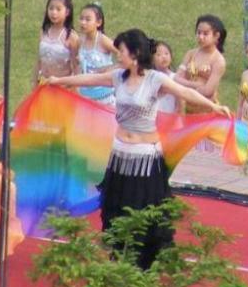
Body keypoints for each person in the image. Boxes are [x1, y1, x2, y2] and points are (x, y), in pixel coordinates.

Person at [46, 28, 231, 269]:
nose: (118, 55)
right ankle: (119, 256)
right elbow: (89, 79)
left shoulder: (155, 80)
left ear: (134, 54)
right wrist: (58, 81)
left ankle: (144, 262)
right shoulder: (118, 77)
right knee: (117, 205)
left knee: (143, 207)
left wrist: (213, 107)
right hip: (120, 155)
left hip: (145, 158)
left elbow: (184, 92)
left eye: (121, 51)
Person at [175, 14, 227, 114]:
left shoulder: (218, 61)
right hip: (186, 109)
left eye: (205, 34)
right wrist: (196, 85)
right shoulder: (190, 54)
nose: (200, 37)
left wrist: (184, 88)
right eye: (198, 33)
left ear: (216, 36)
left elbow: (208, 91)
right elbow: (176, 79)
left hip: (207, 112)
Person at [33, 0, 79, 86]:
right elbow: (39, 60)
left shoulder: (71, 36)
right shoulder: (44, 31)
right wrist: (34, 83)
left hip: (63, 86)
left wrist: (75, 86)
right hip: (43, 84)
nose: (54, 12)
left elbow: (76, 66)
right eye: (51, 8)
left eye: (58, 9)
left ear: (67, 12)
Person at [77, 2, 117, 106]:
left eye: (88, 19)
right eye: (81, 19)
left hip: (105, 97)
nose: (83, 22)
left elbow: (125, 55)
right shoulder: (80, 40)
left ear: (98, 22)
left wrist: (110, 69)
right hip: (85, 95)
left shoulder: (103, 40)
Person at [152, 40, 181, 114]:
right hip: (154, 116)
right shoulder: (150, 78)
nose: (164, 57)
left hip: (170, 116)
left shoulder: (175, 77)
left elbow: (179, 103)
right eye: (158, 55)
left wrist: (175, 115)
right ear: (152, 59)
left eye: (166, 53)